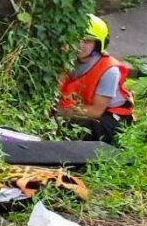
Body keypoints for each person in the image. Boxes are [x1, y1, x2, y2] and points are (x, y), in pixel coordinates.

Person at [56, 14, 134, 143]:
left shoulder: (109, 71)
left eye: (87, 41)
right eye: (77, 39)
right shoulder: (68, 60)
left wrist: (60, 111)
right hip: (80, 108)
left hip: (108, 118)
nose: (79, 45)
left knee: (76, 129)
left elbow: (96, 111)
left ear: (98, 44)